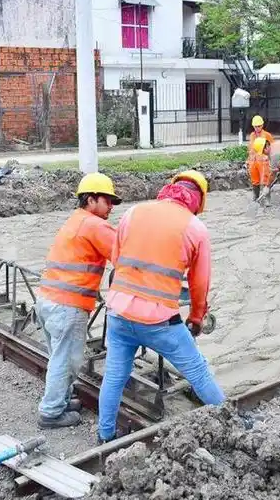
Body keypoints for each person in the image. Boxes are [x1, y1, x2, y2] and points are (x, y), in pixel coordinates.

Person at [98, 170, 224, 442]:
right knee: (197, 371)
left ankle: (105, 436)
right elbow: (199, 283)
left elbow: (117, 258)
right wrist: (197, 317)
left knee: (115, 376)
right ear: (199, 200)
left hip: (118, 312)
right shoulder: (195, 228)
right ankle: (233, 423)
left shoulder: (134, 212)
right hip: (159, 321)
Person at [36, 173, 120, 429]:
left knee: (57, 357)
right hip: (67, 305)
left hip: (47, 300)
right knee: (66, 361)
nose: (111, 207)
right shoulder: (95, 225)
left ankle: (59, 400)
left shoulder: (75, 220)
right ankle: (51, 413)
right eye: (108, 201)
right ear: (92, 199)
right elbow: (125, 256)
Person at [247, 115, 274, 204]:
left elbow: (272, 147)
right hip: (253, 161)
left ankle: (267, 198)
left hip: (263, 162)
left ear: (262, 125)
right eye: (255, 126)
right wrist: (249, 160)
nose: (257, 128)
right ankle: (256, 196)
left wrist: (269, 158)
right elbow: (251, 148)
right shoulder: (252, 135)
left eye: (259, 126)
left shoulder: (267, 135)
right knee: (255, 180)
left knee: (265, 179)